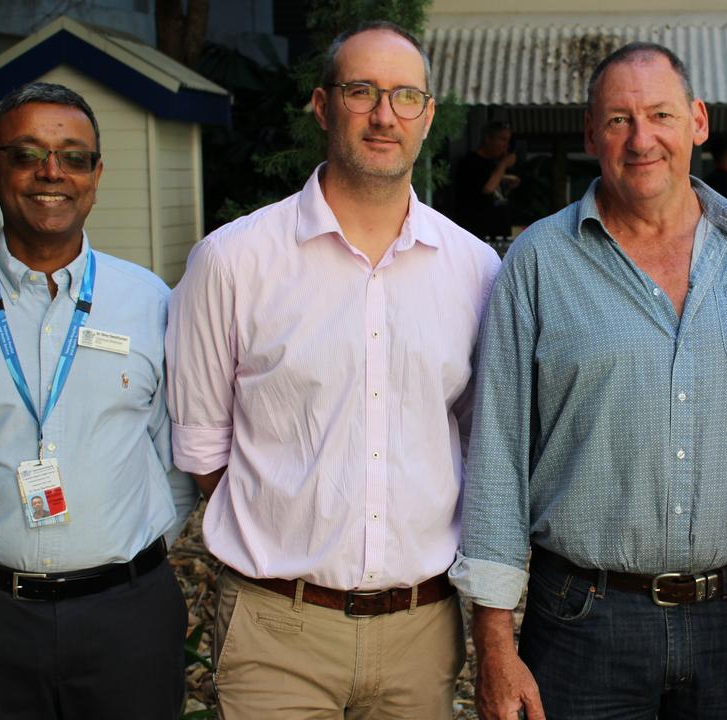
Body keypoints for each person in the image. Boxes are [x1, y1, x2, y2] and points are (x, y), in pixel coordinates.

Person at [453, 42, 727, 720]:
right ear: (592, 133)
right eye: (619, 120)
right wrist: (494, 641)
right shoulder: (539, 261)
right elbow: (498, 453)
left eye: (659, 114)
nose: (642, 138)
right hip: (581, 621)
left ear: (698, 122)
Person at [165, 21, 501, 719]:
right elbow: (204, 450)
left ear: (428, 115)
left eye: (406, 96)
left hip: (421, 632)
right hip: (277, 632)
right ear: (322, 106)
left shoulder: (476, 271)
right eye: (362, 91)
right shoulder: (232, 262)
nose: (385, 115)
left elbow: (474, 439)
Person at [0, 81, 197, 719]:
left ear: (96, 174)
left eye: (73, 156)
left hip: (126, 618)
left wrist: (121, 564)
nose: (51, 172)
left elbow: (173, 460)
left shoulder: (152, 303)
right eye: (26, 153)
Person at [452, 120, 520, 238]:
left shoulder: (494, 163)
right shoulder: (471, 162)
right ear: (488, 139)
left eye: (508, 141)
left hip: (500, 233)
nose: (506, 146)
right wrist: (503, 164)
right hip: (478, 233)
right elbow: (488, 188)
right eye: (502, 140)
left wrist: (507, 181)